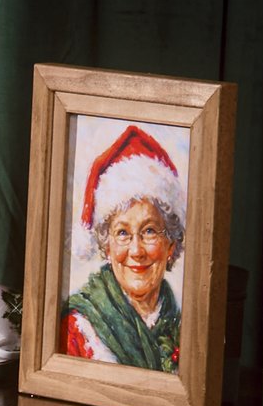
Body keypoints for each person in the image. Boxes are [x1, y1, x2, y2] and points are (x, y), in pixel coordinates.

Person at [60, 124, 184, 369]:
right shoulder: (78, 329)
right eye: (123, 233)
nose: (136, 251)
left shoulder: (186, 324)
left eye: (149, 231)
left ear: (171, 244)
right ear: (107, 248)